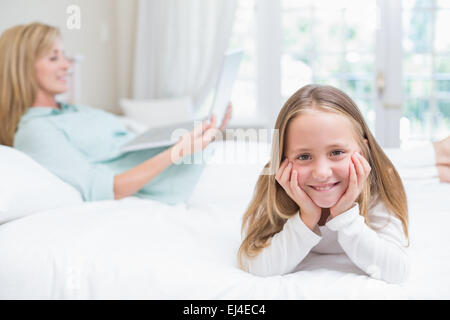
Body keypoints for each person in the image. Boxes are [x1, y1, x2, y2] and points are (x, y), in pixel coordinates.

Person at [237, 84, 449, 284]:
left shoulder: (377, 189)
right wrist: (307, 217)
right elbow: (255, 264)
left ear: (364, 150)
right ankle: (436, 162)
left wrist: (344, 214)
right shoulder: (275, 188)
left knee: (392, 170)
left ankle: (438, 155)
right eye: (303, 156)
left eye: (336, 152)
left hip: (374, 172)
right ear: (282, 159)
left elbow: (397, 271)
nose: (321, 173)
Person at [0, 22, 231, 205]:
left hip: (203, 168)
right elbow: (107, 189)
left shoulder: (76, 111)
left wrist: (210, 131)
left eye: (64, 55)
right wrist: (177, 151)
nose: (67, 65)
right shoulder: (35, 131)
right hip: (189, 184)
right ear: (22, 68)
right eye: (53, 58)